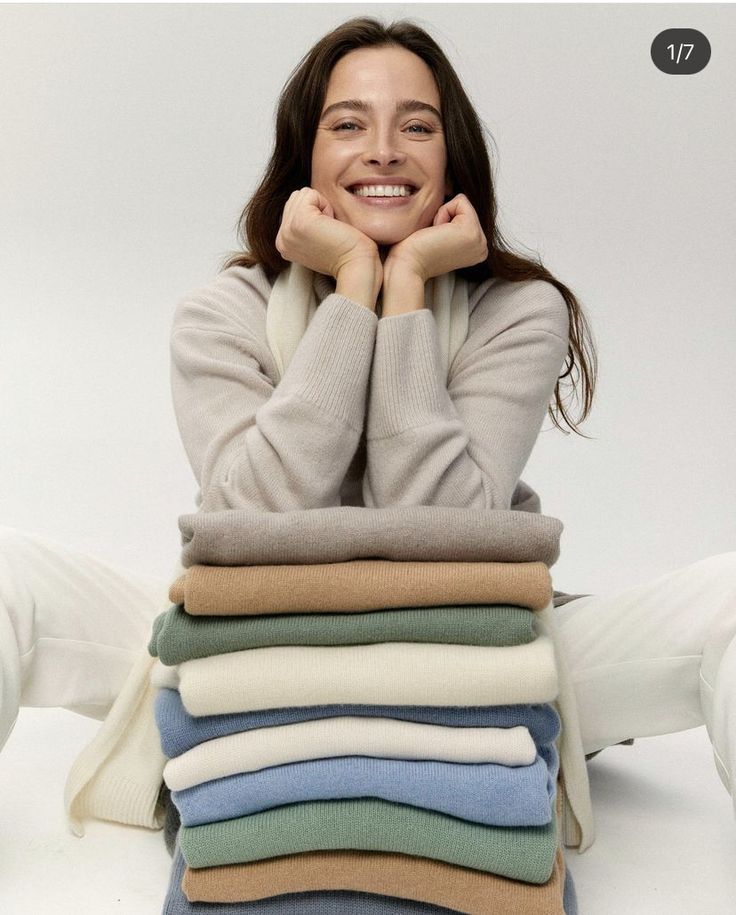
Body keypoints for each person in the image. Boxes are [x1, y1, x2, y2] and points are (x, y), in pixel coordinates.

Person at [1, 16, 735, 865]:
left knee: (725, 596)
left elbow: (443, 528)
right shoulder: (223, 313)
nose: (383, 150)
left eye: (416, 126)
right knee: (10, 570)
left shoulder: (515, 311)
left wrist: (409, 286)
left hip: (471, 666)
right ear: (302, 162)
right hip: (254, 658)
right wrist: (356, 285)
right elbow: (254, 522)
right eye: (347, 124)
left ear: (452, 158)